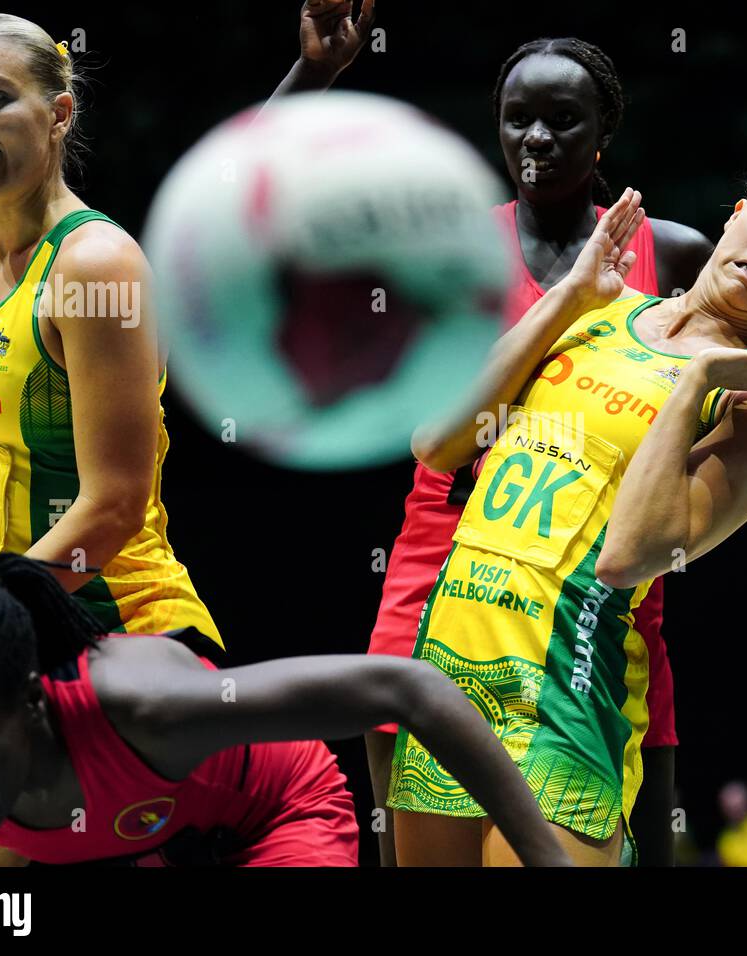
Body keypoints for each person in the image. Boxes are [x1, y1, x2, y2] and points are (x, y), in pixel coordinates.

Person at [266, 4, 719, 866]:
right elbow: (261, 217)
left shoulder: (675, 256)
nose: (537, 137)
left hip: (601, 604)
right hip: (438, 578)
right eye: (519, 120)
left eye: (562, 119)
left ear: (605, 130)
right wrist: (315, 74)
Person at [389, 156, 747, 865]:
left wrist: (697, 376)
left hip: (564, 693)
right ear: (736, 216)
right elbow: (436, 444)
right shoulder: (600, 312)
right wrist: (571, 296)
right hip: (450, 664)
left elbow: (629, 556)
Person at [0, 6, 221, 865]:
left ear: (60, 111)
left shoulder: (93, 267)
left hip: (108, 630)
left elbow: (112, 506)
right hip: (12, 628)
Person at [0, 549, 571, 867]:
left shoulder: (146, 708)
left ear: (32, 705)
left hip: (279, 819)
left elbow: (412, 689)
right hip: (157, 843)